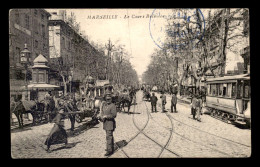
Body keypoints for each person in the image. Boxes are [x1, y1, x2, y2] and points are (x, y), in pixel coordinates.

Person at [98, 92, 117, 156]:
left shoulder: (113, 106)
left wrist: (106, 116)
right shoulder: (105, 105)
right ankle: (111, 148)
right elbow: (103, 113)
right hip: (106, 124)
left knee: (108, 136)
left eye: (109, 99)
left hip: (110, 124)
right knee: (109, 136)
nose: (108, 100)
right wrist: (100, 117)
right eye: (107, 99)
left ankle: (109, 151)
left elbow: (114, 115)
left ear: (111, 99)